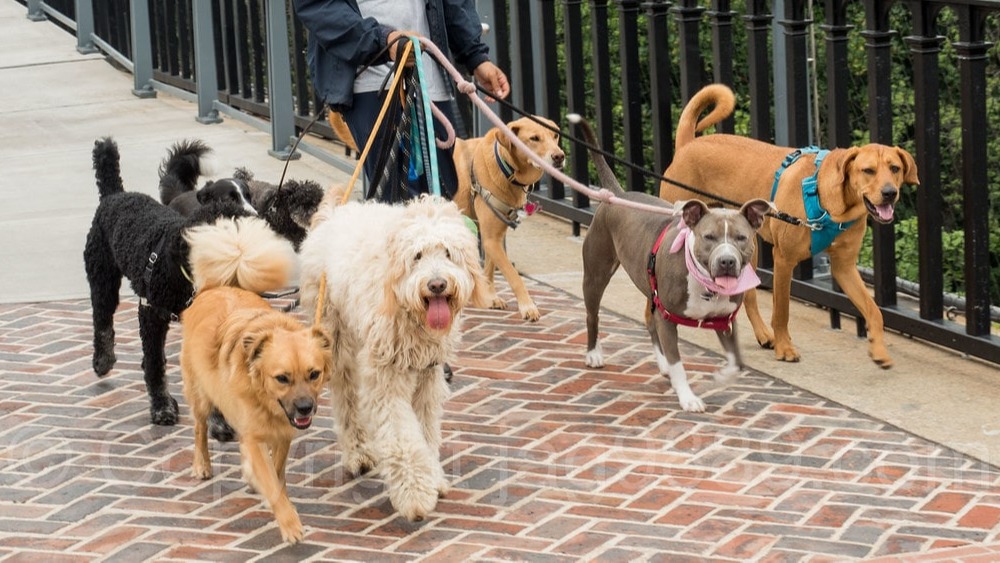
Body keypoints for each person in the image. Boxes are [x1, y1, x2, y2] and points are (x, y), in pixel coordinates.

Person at [293, 0, 510, 200]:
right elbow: (320, 7)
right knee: (396, 200)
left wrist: (475, 56)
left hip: (428, 73)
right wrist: (383, 40)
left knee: (445, 192)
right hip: (369, 77)